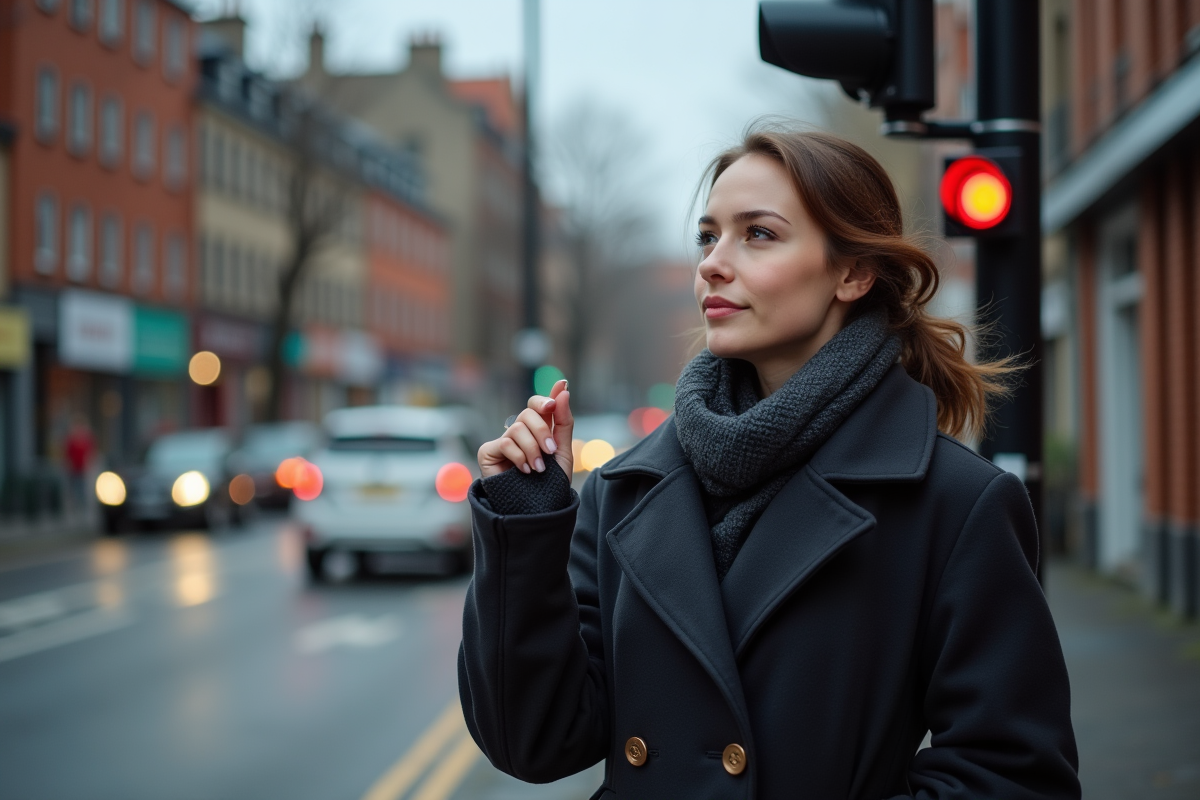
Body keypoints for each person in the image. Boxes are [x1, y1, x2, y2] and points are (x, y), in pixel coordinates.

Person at [459, 127, 1080, 799]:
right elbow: (535, 741)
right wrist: (527, 522)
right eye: (708, 236)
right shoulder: (623, 490)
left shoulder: (956, 503)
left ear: (853, 272)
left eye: (758, 234)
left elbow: (1013, 777)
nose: (713, 264)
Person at [64, 415, 95, 513]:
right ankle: (75, 507)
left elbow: (91, 453)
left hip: (82, 468)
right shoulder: (71, 439)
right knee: (73, 489)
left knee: (82, 488)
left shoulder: (86, 439)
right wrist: (67, 464)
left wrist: (89, 464)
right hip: (73, 469)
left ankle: (83, 508)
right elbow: (67, 454)